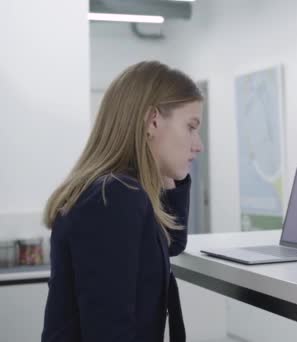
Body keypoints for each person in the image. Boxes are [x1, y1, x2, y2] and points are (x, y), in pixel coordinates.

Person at [41, 61, 203, 341]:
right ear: (152, 121)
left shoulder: (119, 190)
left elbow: (169, 242)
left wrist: (165, 176)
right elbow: (110, 332)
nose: (198, 144)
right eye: (191, 127)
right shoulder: (115, 198)